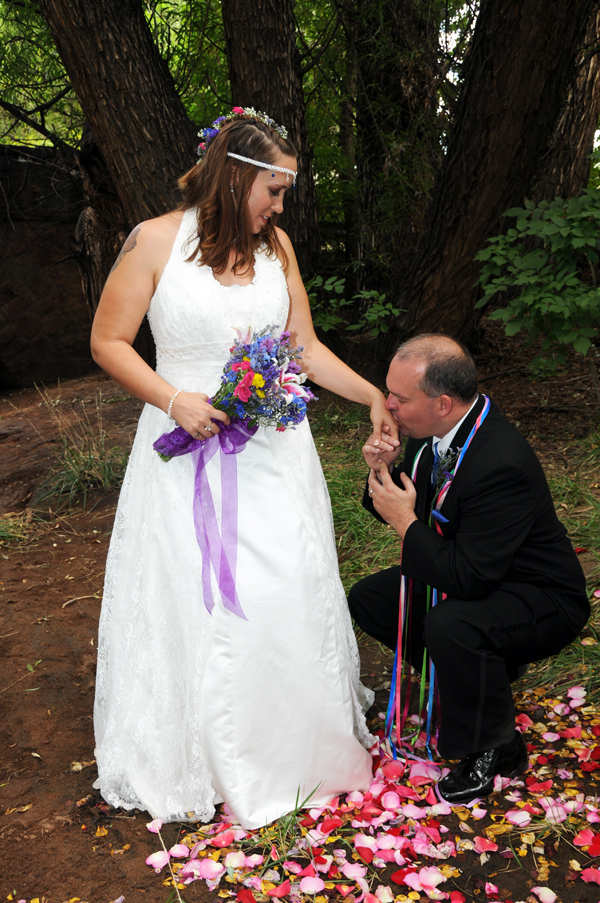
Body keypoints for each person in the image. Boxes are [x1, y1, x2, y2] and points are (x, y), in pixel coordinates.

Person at [90, 109, 400, 829]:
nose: (280, 207)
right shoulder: (154, 241)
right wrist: (174, 399)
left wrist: (371, 394)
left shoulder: (278, 248)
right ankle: (204, 750)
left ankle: (294, 743)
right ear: (235, 177)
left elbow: (304, 348)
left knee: (284, 582)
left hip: (274, 454)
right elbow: (108, 340)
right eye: (275, 190)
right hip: (184, 451)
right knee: (199, 602)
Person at [348, 334, 589, 804]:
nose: (389, 406)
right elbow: (399, 506)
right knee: (373, 599)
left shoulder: (500, 461)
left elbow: (467, 578)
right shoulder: (432, 437)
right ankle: (468, 681)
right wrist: (381, 471)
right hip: (476, 574)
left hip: (539, 595)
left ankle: (496, 746)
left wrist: (405, 521)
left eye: (400, 397)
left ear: (442, 402)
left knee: (452, 624)